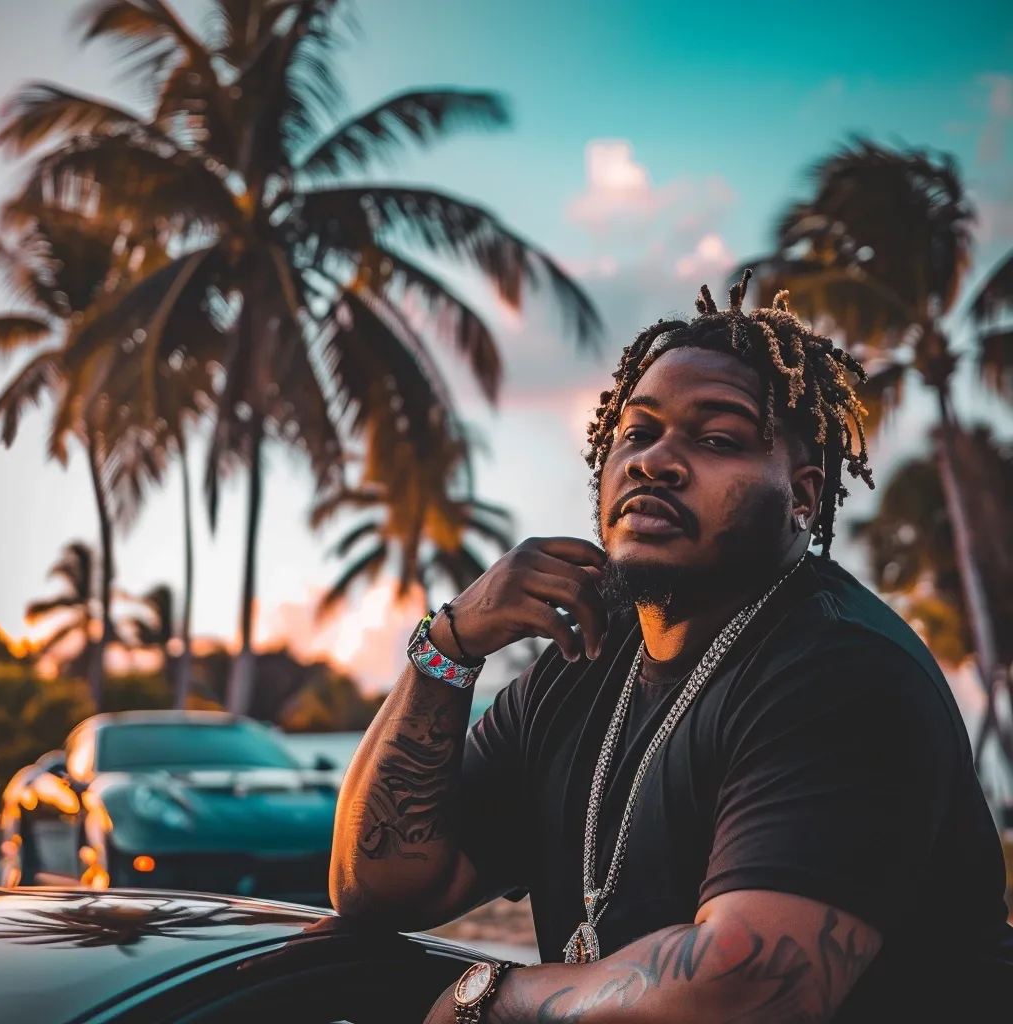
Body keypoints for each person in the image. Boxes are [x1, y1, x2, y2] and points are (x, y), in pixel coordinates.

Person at [329, 272, 1013, 1023]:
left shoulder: (842, 670)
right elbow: (380, 882)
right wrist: (448, 650)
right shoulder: (581, 665)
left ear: (804, 496)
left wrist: (492, 1000)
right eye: (637, 431)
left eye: (716, 438)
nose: (655, 461)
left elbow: (744, 989)